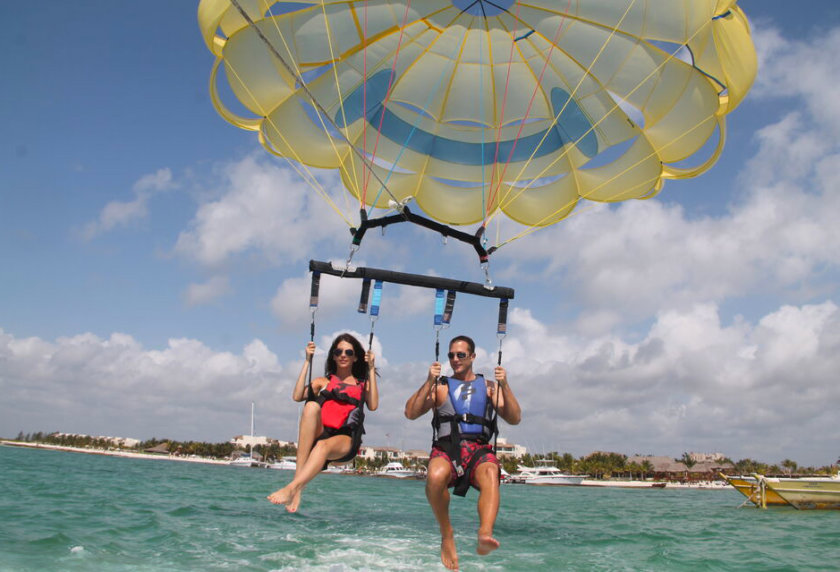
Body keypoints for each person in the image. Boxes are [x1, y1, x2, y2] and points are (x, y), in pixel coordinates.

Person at [404, 335, 521, 571]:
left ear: (473, 357)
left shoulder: (489, 387)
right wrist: (428, 381)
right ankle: (447, 534)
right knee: (435, 475)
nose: (455, 360)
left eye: (460, 355)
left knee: (490, 471)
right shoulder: (441, 387)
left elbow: (514, 418)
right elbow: (410, 413)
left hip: (478, 449)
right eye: (451, 355)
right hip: (447, 448)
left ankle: (484, 535)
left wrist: (505, 386)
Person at [268, 333, 378, 512]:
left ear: (356, 357)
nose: (343, 355)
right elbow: (297, 396)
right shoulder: (322, 382)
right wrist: (307, 361)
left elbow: (373, 405)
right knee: (311, 406)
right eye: (338, 351)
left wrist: (371, 368)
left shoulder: (362, 385)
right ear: (333, 356)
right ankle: (296, 489)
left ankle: (293, 488)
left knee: (323, 446)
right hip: (320, 433)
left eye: (349, 352)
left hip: (345, 441)